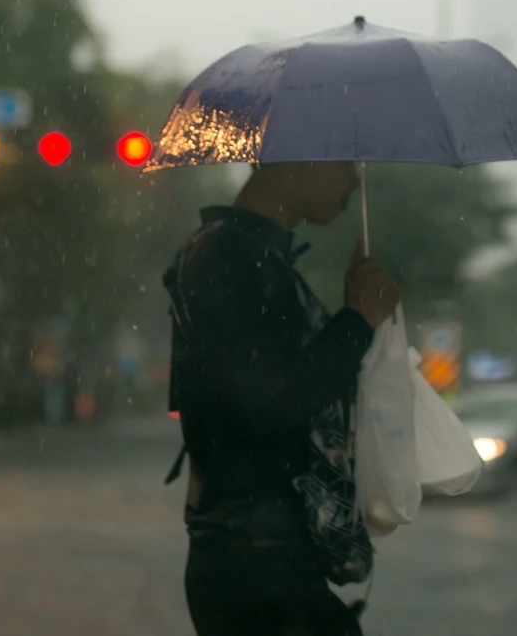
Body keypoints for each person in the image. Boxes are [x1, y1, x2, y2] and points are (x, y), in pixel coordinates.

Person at [163, 161, 401, 636]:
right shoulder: (225, 255)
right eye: (345, 164)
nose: (356, 181)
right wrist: (355, 323)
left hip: (269, 554)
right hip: (253, 562)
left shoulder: (255, 256)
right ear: (297, 159)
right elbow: (267, 401)